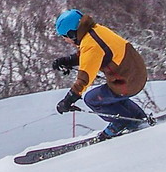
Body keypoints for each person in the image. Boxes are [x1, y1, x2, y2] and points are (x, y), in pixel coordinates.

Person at [51, 9, 150, 138]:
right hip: (137, 74)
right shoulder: (97, 30)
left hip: (128, 82)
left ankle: (121, 122)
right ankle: (138, 118)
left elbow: (84, 78)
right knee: (112, 95)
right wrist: (68, 61)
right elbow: (93, 54)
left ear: (72, 34)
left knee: (92, 98)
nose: (64, 40)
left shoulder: (90, 44)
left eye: (64, 36)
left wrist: (68, 100)